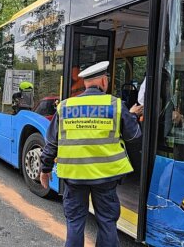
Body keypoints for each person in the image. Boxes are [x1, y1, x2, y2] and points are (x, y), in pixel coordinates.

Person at [39, 61, 143, 247]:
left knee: (75, 222)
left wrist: (45, 169)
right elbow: (134, 136)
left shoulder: (65, 106)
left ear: (85, 83)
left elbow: (52, 144)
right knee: (106, 222)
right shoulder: (116, 105)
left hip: (74, 177)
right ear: (104, 81)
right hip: (105, 178)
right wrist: (132, 115)